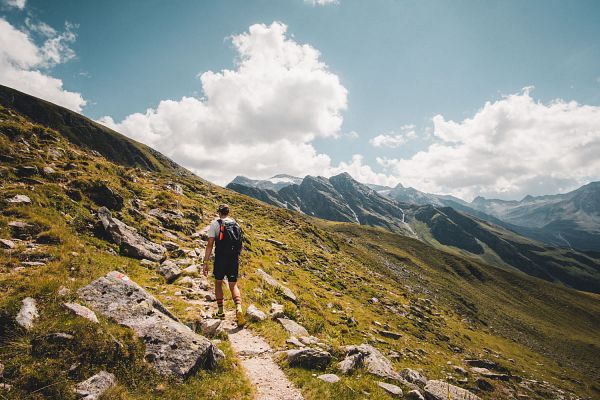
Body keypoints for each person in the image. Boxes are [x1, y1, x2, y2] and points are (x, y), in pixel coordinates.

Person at [202, 204, 245, 326]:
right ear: (228, 212)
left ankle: (221, 311)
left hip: (221, 258)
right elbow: (240, 245)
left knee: (218, 282)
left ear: (219, 213)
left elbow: (210, 244)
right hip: (233, 259)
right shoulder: (235, 224)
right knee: (233, 285)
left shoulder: (215, 224)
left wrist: (206, 262)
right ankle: (239, 309)